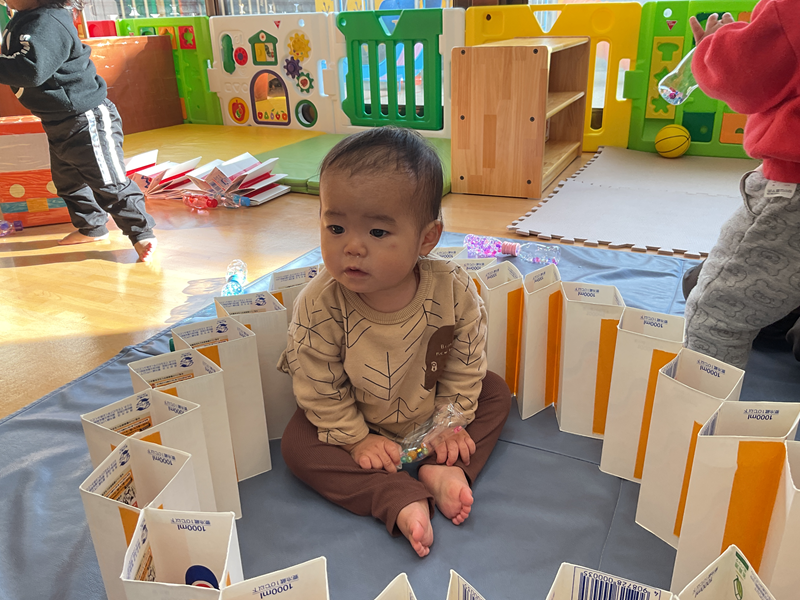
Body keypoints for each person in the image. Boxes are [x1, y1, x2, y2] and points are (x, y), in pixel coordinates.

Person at [278, 127, 512, 557]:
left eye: (378, 233)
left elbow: (465, 361)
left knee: (495, 391)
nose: (352, 247)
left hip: (432, 416)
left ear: (427, 238)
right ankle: (393, 494)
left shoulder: (454, 289)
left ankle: (444, 470)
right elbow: (317, 384)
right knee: (297, 443)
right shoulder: (318, 303)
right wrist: (355, 439)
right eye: (335, 227)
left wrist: (450, 423)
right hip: (356, 422)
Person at [683, 2, 800, 369]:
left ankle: (698, 404)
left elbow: (742, 74)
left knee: (714, 310)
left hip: (792, 193)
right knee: (701, 278)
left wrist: (713, 47)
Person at [0, 0, 157, 261]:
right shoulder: (26, 17)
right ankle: (92, 227)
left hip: (86, 118)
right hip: (57, 119)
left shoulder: (47, 21)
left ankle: (141, 232)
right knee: (68, 183)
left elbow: (32, 70)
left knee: (108, 180)